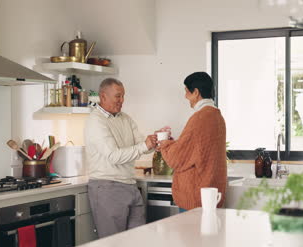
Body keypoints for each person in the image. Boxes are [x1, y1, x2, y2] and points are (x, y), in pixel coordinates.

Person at [85, 78, 157, 238]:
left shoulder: (125, 118)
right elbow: (113, 156)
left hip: (130, 186)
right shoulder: (95, 121)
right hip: (108, 189)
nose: (122, 101)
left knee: (136, 244)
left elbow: (140, 143)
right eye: (118, 96)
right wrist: (144, 146)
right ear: (103, 97)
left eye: (123, 96)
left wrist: (153, 140)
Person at [158, 72, 227, 212]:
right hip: (211, 194)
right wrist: (174, 144)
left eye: (186, 92)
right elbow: (195, 150)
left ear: (196, 92)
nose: (185, 96)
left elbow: (177, 158)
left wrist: (164, 143)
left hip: (196, 197)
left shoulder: (199, 119)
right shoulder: (217, 116)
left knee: (190, 233)